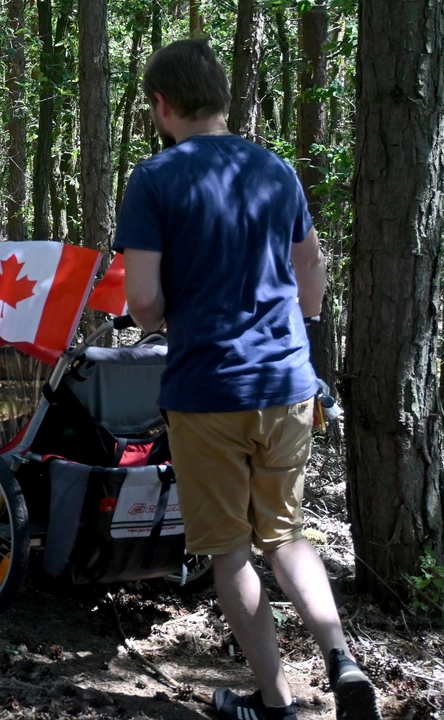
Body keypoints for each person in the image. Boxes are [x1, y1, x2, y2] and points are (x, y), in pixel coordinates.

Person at [114, 40, 379, 720]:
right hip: (288, 384)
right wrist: (302, 328)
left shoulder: (155, 178)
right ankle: (340, 657)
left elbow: (142, 300)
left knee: (230, 549)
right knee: (286, 535)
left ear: (162, 105)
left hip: (208, 390)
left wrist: (167, 313)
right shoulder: (276, 170)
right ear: (223, 100)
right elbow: (311, 272)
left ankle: (275, 702)